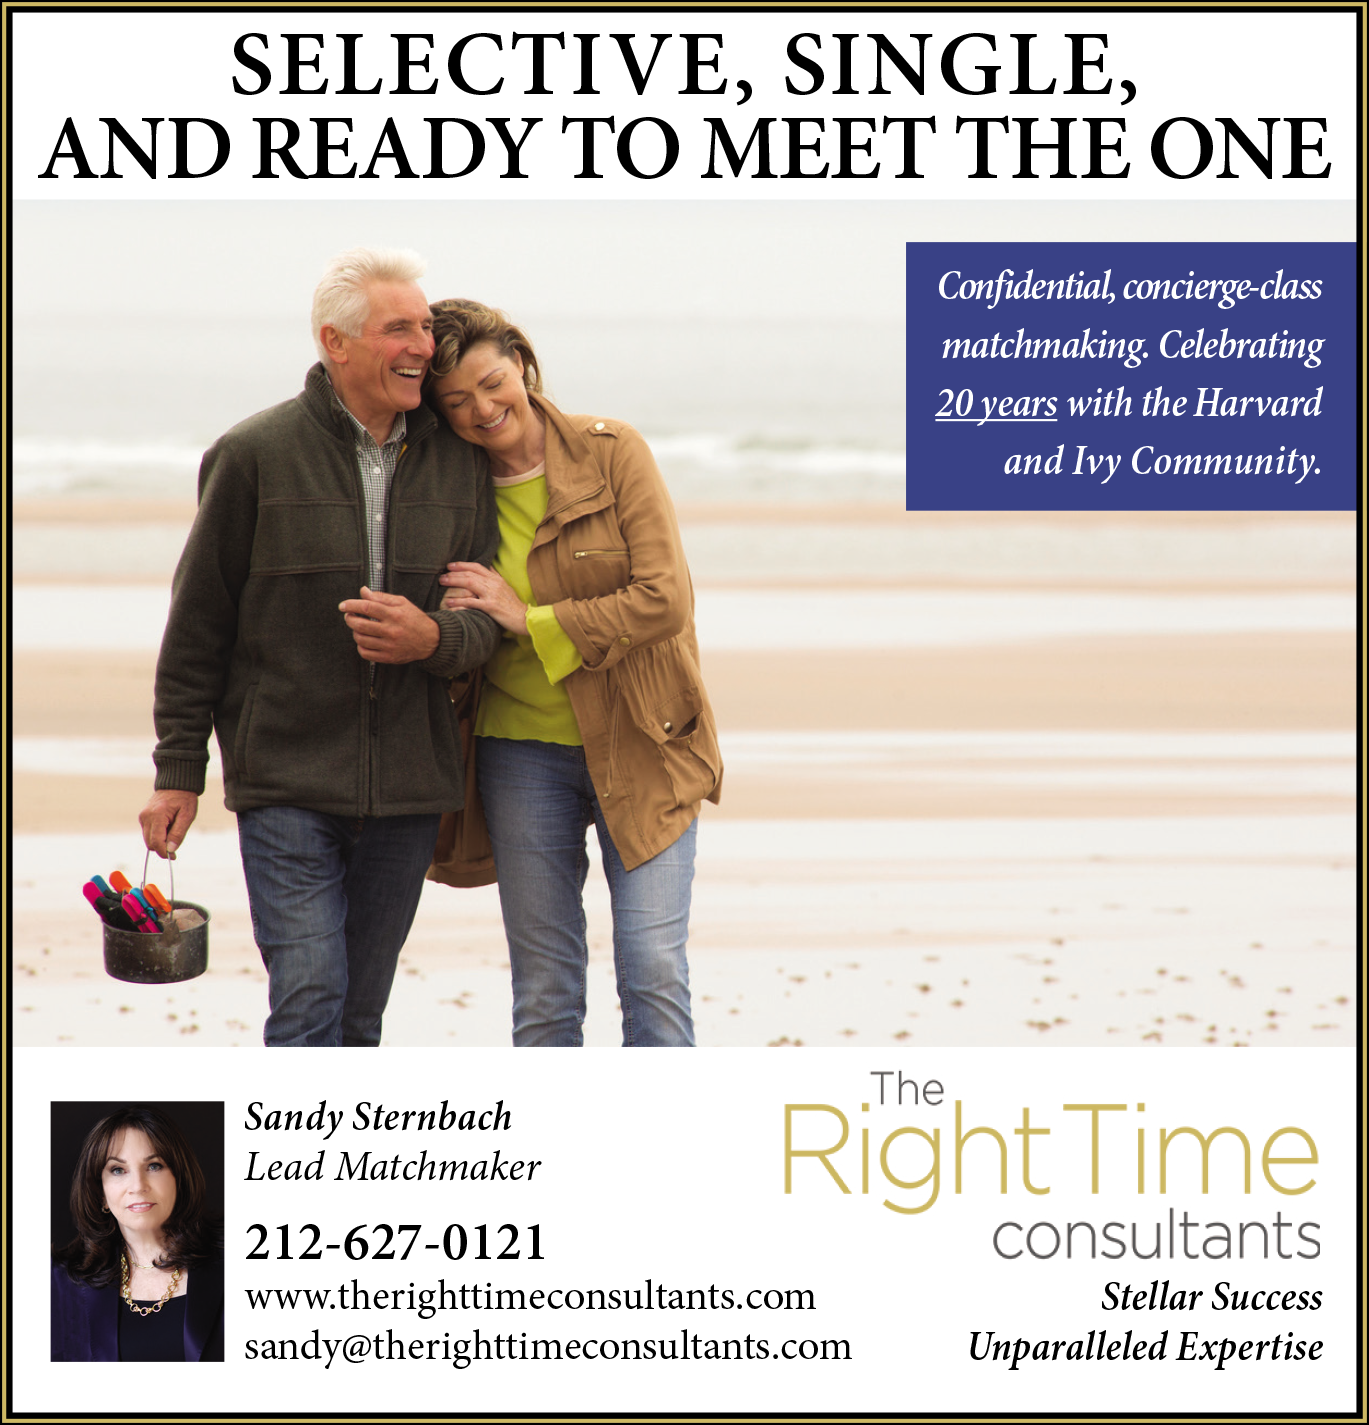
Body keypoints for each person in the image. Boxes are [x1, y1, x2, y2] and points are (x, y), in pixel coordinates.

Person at [138, 248, 500, 1047]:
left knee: (359, 1012)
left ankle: (334, 1166)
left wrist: (431, 636)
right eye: (398, 328)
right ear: (336, 342)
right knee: (309, 994)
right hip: (286, 779)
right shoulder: (253, 455)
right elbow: (199, 623)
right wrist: (177, 772)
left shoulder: (461, 462)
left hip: (409, 787)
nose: (422, 346)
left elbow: (485, 621)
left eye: (426, 327)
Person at [425, 299, 722, 1047]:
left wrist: (529, 618)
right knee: (546, 988)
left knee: (652, 968)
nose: (482, 409)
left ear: (521, 363)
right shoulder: (445, 489)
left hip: (644, 740)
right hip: (517, 754)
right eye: (455, 401)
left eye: (492, 382)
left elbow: (665, 599)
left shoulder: (613, 450)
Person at [51, 1107, 223, 1361]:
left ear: (179, 1178)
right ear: (100, 1193)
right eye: (118, 1170)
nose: (138, 1186)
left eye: (154, 1166)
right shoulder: (60, 1283)